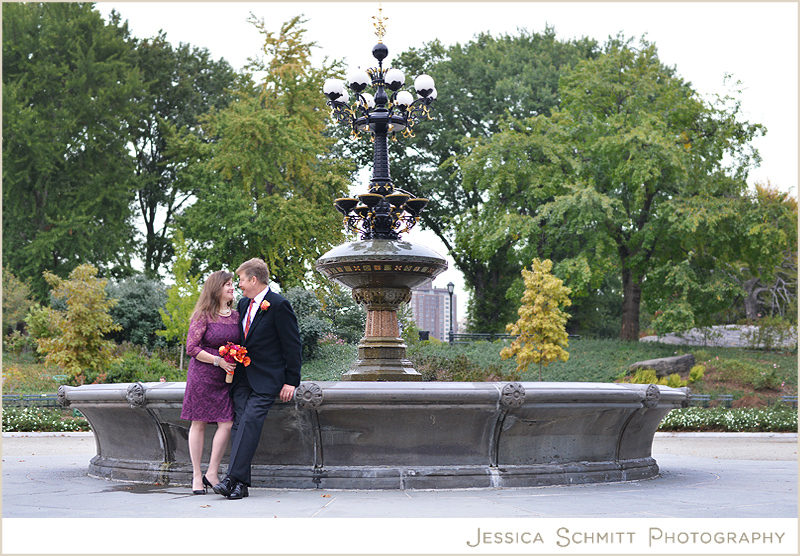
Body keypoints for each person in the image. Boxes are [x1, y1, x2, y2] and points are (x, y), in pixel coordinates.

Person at [213, 258, 302, 500]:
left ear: (254, 279)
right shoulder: (243, 304)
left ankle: (232, 479)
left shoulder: (279, 304)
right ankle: (241, 485)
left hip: (267, 380)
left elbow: (293, 346)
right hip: (241, 379)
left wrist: (291, 381)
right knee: (241, 426)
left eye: (241, 280)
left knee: (250, 421)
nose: (239, 285)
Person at [181, 270, 238, 495]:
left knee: (226, 423)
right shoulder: (203, 314)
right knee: (199, 423)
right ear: (216, 288)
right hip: (203, 376)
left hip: (226, 378)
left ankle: (212, 473)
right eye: (228, 284)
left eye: (233, 284)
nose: (232, 288)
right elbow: (192, 348)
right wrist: (218, 360)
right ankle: (196, 475)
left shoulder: (236, 316)